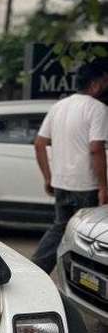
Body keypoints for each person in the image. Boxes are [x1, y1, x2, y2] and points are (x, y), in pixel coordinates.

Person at [32, 57, 108, 274]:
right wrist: (104, 186)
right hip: (87, 185)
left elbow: (39, 144)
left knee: (60, 228)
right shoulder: (97, 109)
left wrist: (48, 177)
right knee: (89, 237)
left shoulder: (58, 106)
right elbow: (96, 148)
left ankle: (37, 270)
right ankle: (86, 277)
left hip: (62, 183)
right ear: (95, 83)